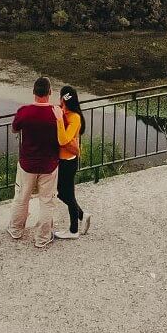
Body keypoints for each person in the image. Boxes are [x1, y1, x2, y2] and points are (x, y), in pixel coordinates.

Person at [7, 77, 61, 247]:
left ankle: (16, 230)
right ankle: (42, 238)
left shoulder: (25, 111)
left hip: (27, 164)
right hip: (49, 164)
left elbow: (14, 128)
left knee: (22, 198)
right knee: (47, 201)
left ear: (34, 92)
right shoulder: (56, 112)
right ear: (50, 92)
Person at [53, 86, 91, 239]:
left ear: (63, 98)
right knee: (64, 192)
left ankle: (74, 230)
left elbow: (63, 139)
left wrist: (59, 119)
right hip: (61, 160)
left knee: (65, 193)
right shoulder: (65, 113)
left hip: (68, 161)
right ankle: (82, 215)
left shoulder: (74, 117)